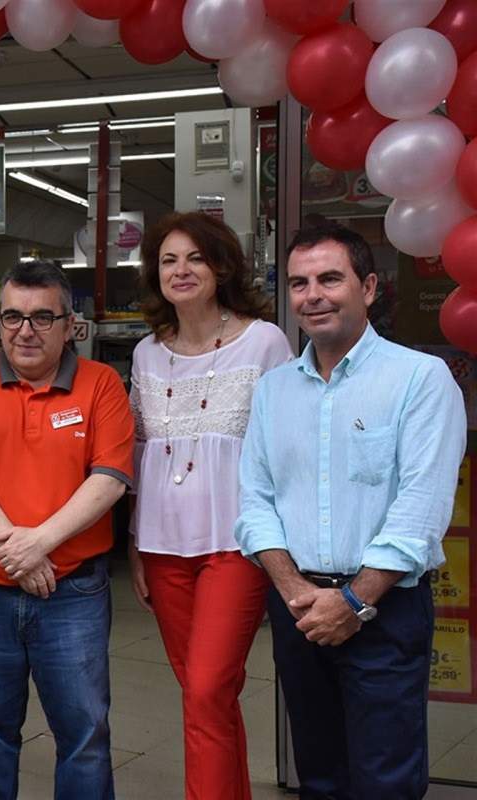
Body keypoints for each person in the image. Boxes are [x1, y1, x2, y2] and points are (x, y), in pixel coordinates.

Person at [235, 222, 466, 799]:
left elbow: (420, 508)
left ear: (367, 287)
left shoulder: (419, 379)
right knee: (319, 776)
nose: (312, 295)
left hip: (385, 613)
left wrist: (354, 601)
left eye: (329, 279)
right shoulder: (273, 390)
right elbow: (255, 500)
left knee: (385, 780)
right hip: (299, 610)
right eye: (298, 282)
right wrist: (294, 592)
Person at [0, 260, 134, 800]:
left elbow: (111, 478)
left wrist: (38, 544)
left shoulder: (102, 384)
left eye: (43, 317)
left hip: (73, 592)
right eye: (14, 317)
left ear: (71, 325)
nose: (26, 330)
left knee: (85, 735)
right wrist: (13, 550)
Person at [127, 213, 292, 800]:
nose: (181, 270)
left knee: (205, 689)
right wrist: (135, 549)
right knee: (204, 695)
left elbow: (285, 446)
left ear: (221, 266)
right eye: (168, 260)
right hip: (162, 546)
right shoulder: (148, 353)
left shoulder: (265, 341)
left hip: (236, 544)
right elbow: (142, 451)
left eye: (194, 257)